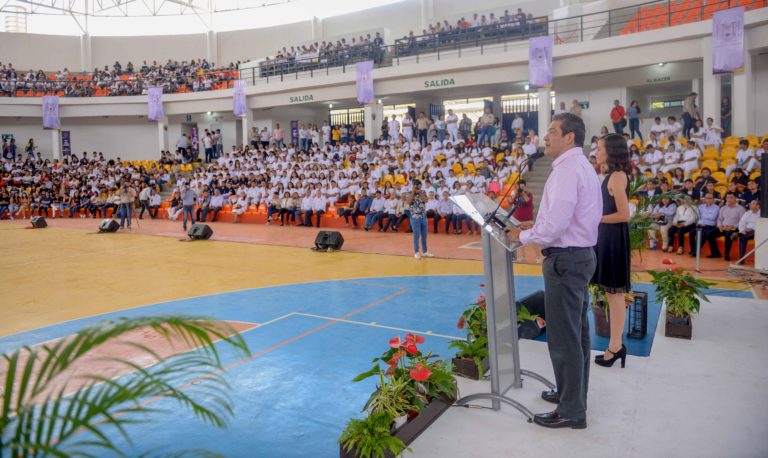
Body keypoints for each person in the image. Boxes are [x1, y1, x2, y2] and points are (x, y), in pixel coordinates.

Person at [508, 113, 602, 429]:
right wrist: (538, 226)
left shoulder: (566, 170)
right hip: (578, 256)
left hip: (566, 260)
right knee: (576, 335)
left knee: (564, 338)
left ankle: (572, 410)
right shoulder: (581, 167)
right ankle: (571, 395)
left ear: (569, 137)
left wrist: (522, 236)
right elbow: (565, 220)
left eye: (551, 131)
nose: (545, 137)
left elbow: (557, 227)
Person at [591, 134, 631, 369]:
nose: (597, 150)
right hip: (608, 238)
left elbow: (624, 215)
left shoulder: (616, 177)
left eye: (600, 147)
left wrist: (596, 218)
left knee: (615, 296)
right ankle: (614, 346)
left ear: (611, 150)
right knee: (611, 295)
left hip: (613, 240)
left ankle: (615, 347)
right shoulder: (612, 175)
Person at [706, 192, 745, 261]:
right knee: (709, 234)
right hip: (723, 227)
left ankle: (726, 254)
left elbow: (742, 222)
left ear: (735, 198)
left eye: (731, 197)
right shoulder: (723, 208)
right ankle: (715, 253)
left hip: (734, 228)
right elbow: (719, 219)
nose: (729, 199)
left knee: (728, 235)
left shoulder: (740, 209)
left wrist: (733, 226)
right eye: (728, 197)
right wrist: (720, 226)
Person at [408, 181, 433, 259]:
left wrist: (420, 193)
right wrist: (413, 192)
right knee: (416, 235)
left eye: (419, 185)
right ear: (413, 186)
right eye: (416, 186)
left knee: (424, 235)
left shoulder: (423, 192)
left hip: (423, 216)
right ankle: (416, 252)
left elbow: (426, 200)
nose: (418, 187)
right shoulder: (409, 192)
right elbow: (409, 201)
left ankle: (425, 252)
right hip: (415, 217)